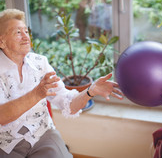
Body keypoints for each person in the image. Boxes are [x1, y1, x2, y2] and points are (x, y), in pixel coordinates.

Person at [0, 9, 123, 158]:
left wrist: (91, 91)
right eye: (18, 32)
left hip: (42, 135)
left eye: (26, 31)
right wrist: (37, 94)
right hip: (6, 144)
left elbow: (68, 103)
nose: (26, 37)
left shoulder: (40, 63)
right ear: (2, 41)